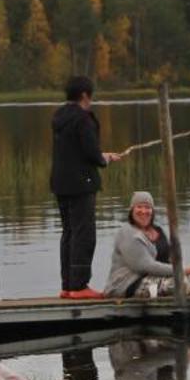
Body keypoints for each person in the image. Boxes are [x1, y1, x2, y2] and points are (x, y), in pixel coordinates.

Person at [50, 75, 123, 299]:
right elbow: (90, 152)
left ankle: (68, 286)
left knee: (69, 233)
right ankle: (80, 286)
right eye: (90, 95)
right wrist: (104, 159)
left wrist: (101, 156)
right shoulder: (83, 119)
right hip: (82, 183)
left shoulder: (59, 116)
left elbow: (77, 150)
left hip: (61, 182)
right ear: (84, 95)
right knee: (84, 233)